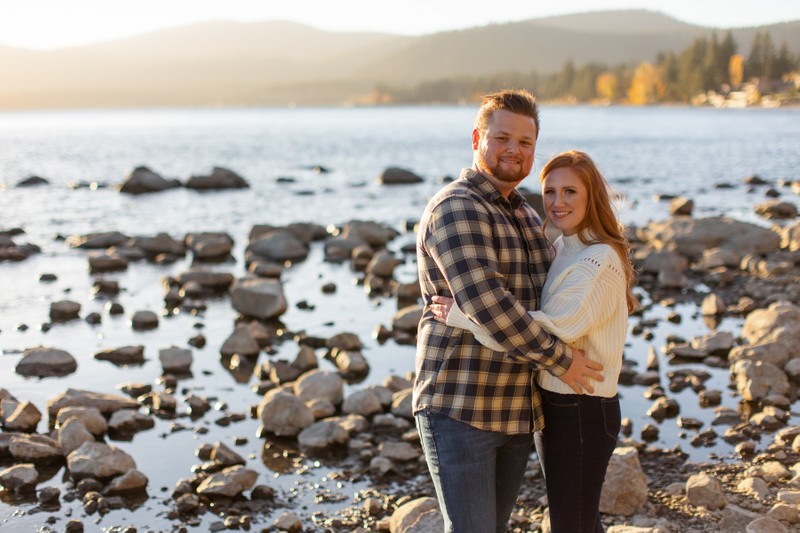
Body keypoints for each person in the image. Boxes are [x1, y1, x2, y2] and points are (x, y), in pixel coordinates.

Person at [413, 89, 604, 533]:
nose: (514, 151)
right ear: (478, 137)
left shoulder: (523, 213)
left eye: (525, 142)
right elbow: (489, 306)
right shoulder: (457, 207)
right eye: (502, 139)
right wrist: (563, 361)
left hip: (517, 409)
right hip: (462, 407)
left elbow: (557, 288)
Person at [431, 149, 638, 532]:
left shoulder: (598, 258)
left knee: (570, 523)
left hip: (582, 408)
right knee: (578, 519)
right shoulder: (562, 247)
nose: (558, 203)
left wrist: (467, 317)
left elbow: (552, 327)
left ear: (592, 195)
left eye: (570, 192)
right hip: (558, 404)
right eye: (550, 192)